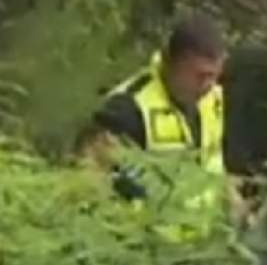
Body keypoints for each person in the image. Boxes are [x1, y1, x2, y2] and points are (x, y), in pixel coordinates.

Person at [85, 14, 228, 197]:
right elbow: (90, 178)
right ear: (170, 63)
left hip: (202, 223)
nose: (208, 85)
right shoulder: (128, 109)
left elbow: (211, 165)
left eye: (214, 76)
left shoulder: (213, 99)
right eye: (199, 76)